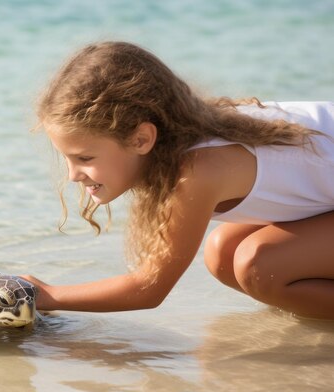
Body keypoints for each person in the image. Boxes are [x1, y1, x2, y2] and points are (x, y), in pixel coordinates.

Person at [21, 41, 334, 319]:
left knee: (259, 266)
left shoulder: (199, 170)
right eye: (67, 158)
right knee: (222, 253)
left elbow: (149, 289)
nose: (73, 174)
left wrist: (48, 295)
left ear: (141, 139)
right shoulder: (184, 142)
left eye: (85, 158)